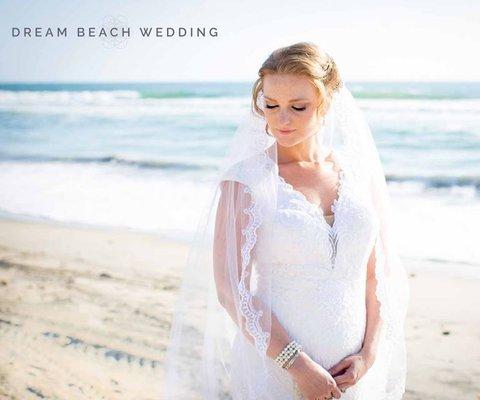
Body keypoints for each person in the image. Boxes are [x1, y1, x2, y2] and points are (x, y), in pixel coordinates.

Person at [162, 41, 410, 400]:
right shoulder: (245, 182)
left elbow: (379, 275)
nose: (281, 119)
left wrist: (369, 355)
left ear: (328, 103)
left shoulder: (359, 175)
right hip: (278, 371)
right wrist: (298, 367)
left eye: (298, 106)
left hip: (355, 373)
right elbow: (232, 291)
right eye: (271, 105)